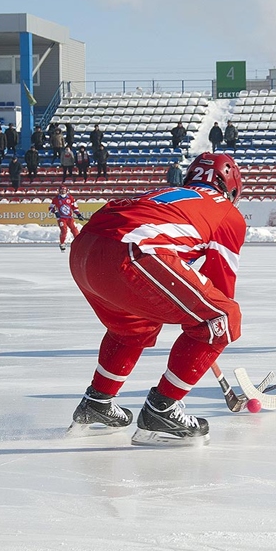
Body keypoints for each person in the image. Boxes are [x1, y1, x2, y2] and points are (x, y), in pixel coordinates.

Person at [67, 152, 245, 446]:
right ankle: (161, 411)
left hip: (85, 250)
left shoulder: (169, 193)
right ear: (233, 186)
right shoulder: (226, 212)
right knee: (223, 318)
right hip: (131, 252)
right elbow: (219, 292)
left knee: (134, 326)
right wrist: (207, 339)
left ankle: (97, 403)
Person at [49, 185, 84, 252]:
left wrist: (78, 215)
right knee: (64, 230)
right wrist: (56, 212)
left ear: (66, 190)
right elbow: (50, 208)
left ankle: (78, 243)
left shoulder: (70, 198)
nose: (63, 191)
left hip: (69, 218)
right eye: (61, 190)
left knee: (74, 230)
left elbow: (75, 207)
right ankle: (62, 243)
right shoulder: (56, 199)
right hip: (61, 218)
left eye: (64, 190)